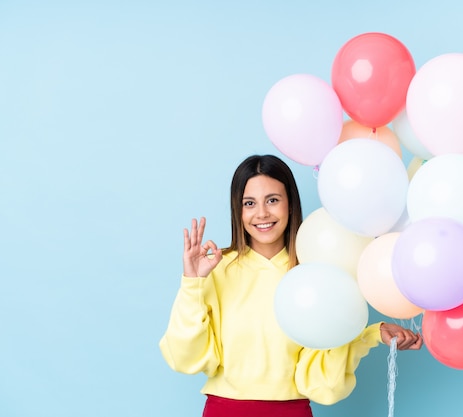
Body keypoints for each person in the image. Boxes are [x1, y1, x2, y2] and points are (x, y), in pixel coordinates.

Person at [159, 154, 422, 417]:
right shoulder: (214, 269)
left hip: (292, 410)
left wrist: (373, 334)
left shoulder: (315, 269)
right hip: (224, 409)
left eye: (272, 200)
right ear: (237, 210)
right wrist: (192, 282)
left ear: (291, 205)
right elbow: (185, 356)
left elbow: (324, 375)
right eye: (249, 203)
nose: (262, 213)